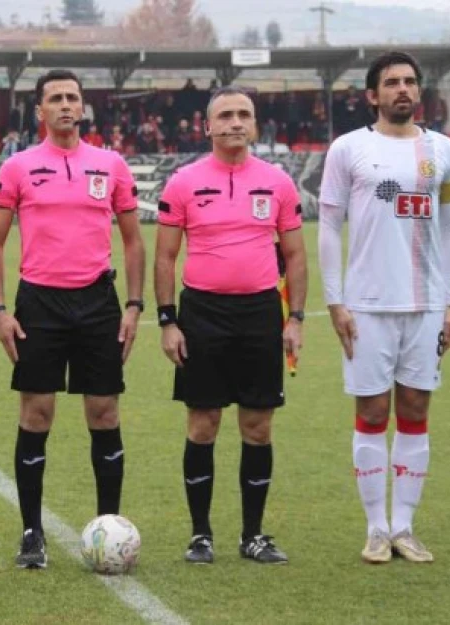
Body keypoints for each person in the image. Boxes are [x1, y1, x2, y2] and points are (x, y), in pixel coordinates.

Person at [0, 69, 145, 569]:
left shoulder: (110, 164)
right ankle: (32, 533)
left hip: (98, 302)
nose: (66, 105)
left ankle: (108, 528)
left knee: (105, 413)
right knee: (36, 415)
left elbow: (135, 241)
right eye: (55, 98)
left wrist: (135, 306)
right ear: (40, 111)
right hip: (40, 304)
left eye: (73, 97)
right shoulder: (18, 167)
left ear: (83, 106)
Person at [317, 51, 450, 564]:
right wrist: (335, 301)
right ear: (372, 95)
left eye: (410, 81)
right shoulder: (349, 149)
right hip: (368, 306)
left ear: (419, 91)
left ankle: (405, 527)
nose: (403, 89)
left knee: (417, 412)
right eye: (392, 82)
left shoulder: (443, 150)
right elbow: (329, 228)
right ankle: (376, 528)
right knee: (373, 412)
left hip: (425, 305)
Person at [154, 86, 306, 565]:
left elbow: (297, 256)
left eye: (244, 114)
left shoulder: (279, 182)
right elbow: (164, 256)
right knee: (203, 424)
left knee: (258, 426)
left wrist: (296, 318)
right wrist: (168, 322)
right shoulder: (183, 182)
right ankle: (200, 534)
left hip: (261, 313)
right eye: (225, 115)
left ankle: (253, 535)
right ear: (208, 126)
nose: (235, 122)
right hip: (202, 314)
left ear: (256, 125)